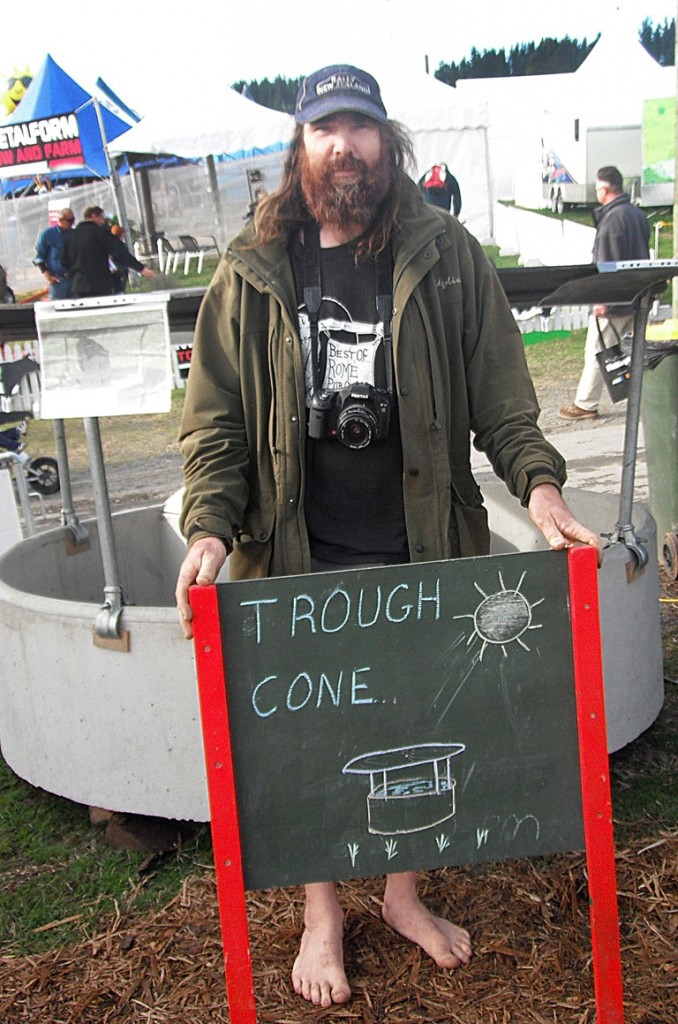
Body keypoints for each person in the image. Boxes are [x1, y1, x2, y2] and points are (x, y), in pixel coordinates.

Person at [174, 63, 602, 1010]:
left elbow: (503, 398)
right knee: (308, 733)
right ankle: (323, 913)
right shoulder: (250, 271)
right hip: (293, 551)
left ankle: (402, 894)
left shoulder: (444, 254)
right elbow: (214, 426)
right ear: (300, 147)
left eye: (361, 127)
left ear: (387, 140)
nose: (345, 146)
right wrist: (207, 530)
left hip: (421, 546)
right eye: (325, 128)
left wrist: (538, 489)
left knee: (416, 725)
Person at [559, 165, 650, 420]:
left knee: (598, 351)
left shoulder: (611, 219)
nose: (597, 193)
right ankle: (647, 395)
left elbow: (607, 264)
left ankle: (586, 404)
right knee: (641, 350)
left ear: (606, 189)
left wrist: (601, 300)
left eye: (598, 188)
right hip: (637, 294)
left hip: (615, 300)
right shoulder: (636, 214)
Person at [60, 206, 154, 298]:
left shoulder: (71, 236)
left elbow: (63, 261)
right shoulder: (100, 233)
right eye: (101, 217)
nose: (103, 221)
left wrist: (76, 271)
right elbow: (119, 252)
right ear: (93, 216)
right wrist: (141, 268)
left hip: (79, 285)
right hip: (99, 283)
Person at [34, 208, 76, 299]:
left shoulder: (74, 234)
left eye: (73, 220)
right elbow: (39, 257)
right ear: (60, 220)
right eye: (69, 221)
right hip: (58, 280)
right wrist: (47, 274)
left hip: (74, 279)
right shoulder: (48, 235)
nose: (72, 223)